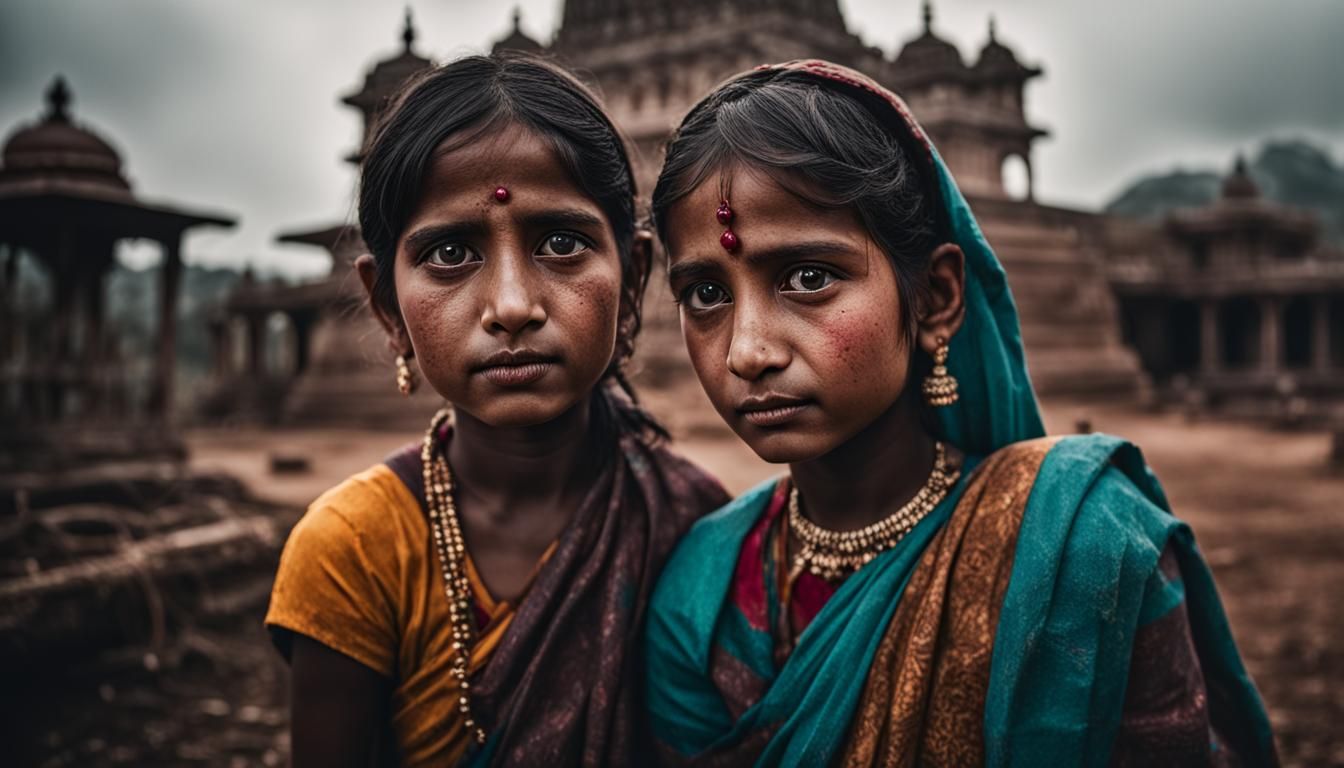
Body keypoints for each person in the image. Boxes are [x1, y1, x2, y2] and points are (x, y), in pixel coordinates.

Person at [644, 60, 1276, 766]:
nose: (747, 351)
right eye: (705, 293)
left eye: (810, 277)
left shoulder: (1088, 549)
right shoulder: (695, 598)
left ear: (937, 299)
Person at [264, 53, 729, 767]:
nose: (512, 306)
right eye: (451, 252)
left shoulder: (693, 524)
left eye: (562, 243)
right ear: (389, 307)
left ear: (634, 278)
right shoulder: (352, 551)